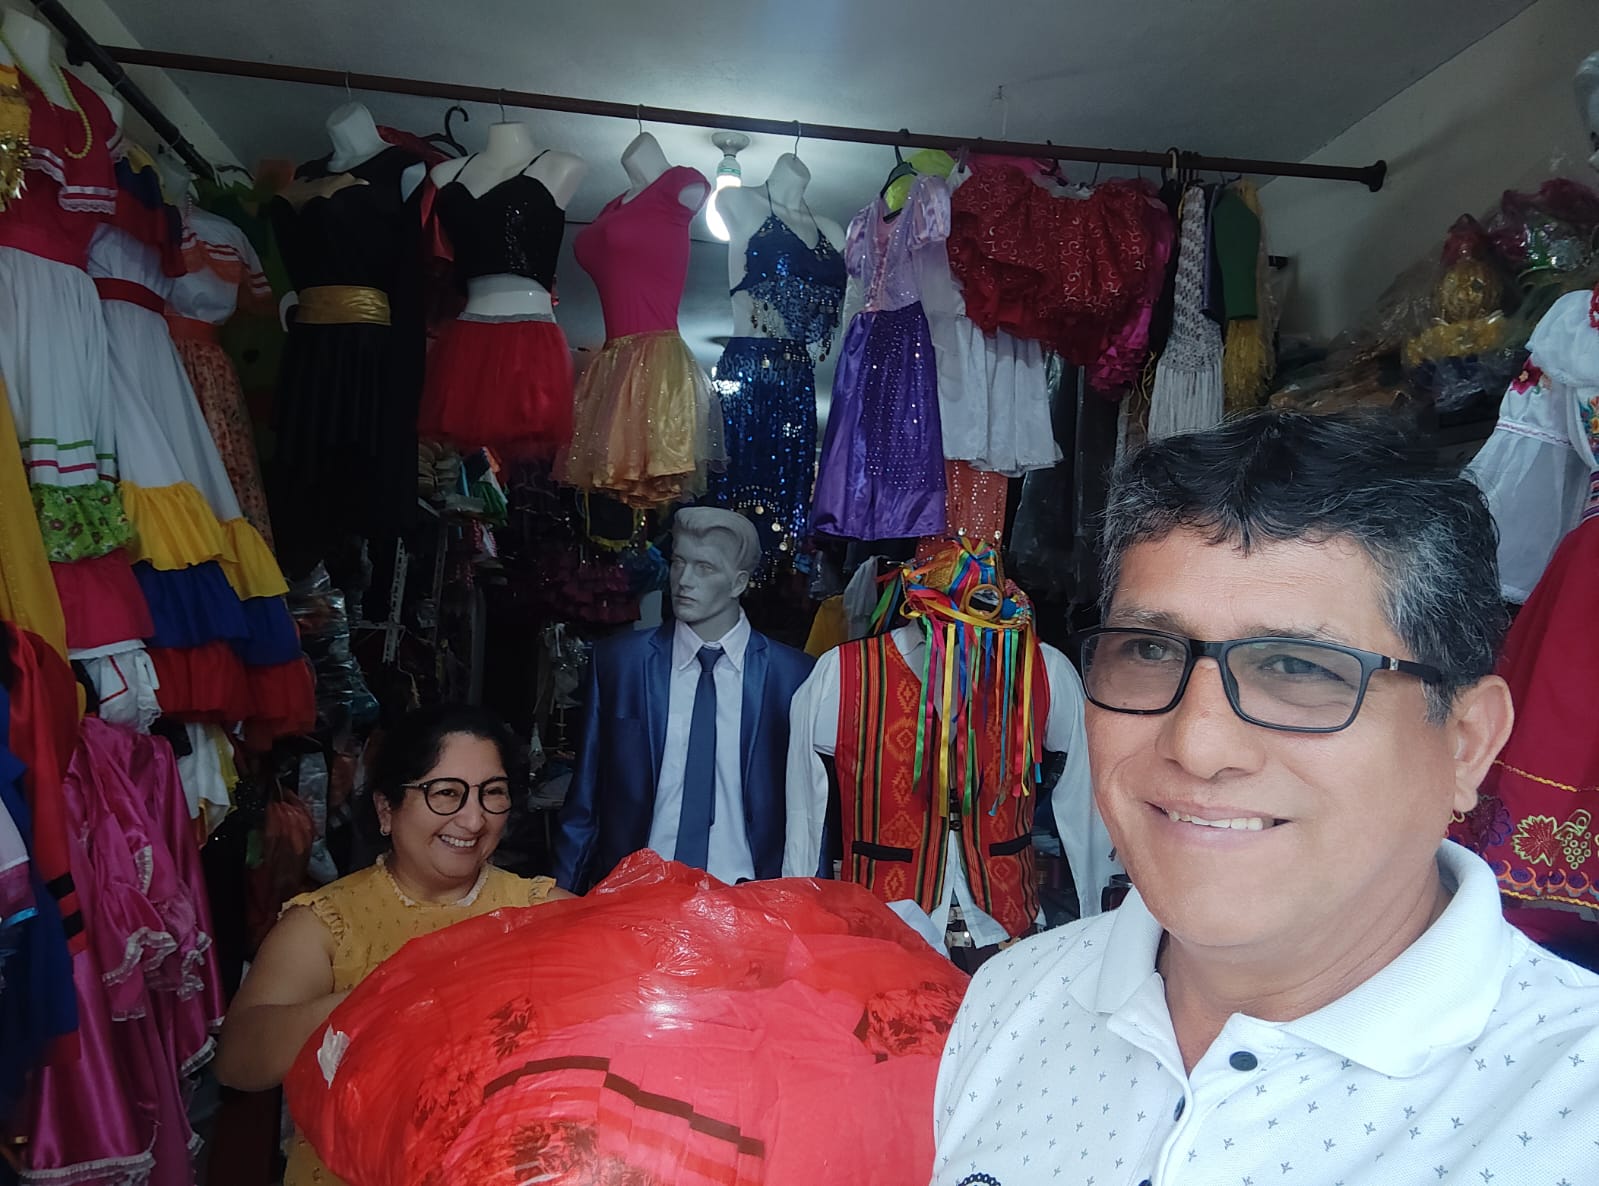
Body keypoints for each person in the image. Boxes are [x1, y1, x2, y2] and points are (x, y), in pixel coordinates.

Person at [931, 410, 1599, 1185]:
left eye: (1298, 668)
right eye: (1149, 650)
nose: (1197, 745)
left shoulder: (1569, 1113)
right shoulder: (1012, 999)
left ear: (1465, 742)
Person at [214, 702, 569, 1186]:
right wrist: (382, 996)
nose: (473, 820)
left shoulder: (543, 913)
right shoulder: (327, 924)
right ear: (386, 809)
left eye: (493, 794)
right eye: (446, 794)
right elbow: (237, 1063)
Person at [553, 507, 814, 892]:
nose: (684, 581)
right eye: (679, 563)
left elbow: (810, 811)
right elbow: (585, 799)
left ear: (739, 583)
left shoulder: (793, 677)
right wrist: (560, 900)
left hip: (749, 897)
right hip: (636, 893)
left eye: (705, 568)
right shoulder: (621, 664)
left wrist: (810, 905)